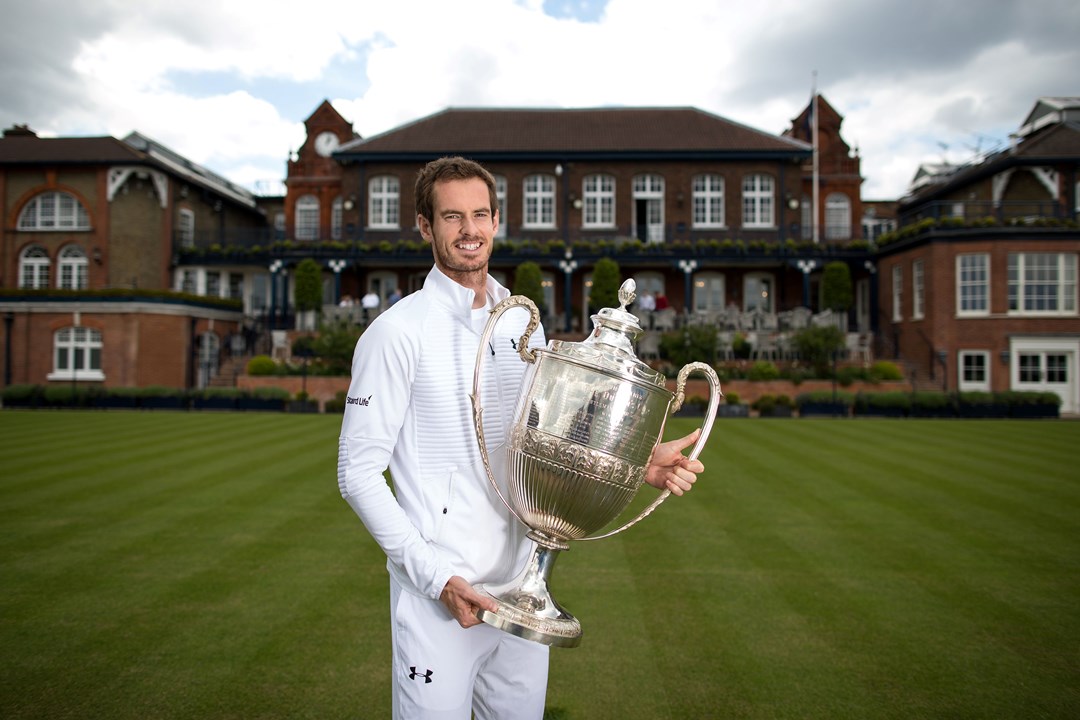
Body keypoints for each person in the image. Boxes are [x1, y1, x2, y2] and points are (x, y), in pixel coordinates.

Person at [337, 156, 706, 719]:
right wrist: (436, 579)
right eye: (453, 216)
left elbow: (544, 434)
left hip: (522, 593)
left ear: (496, 220)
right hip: (443, 598)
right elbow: (357, 473)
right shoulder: (395, 333)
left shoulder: (519, 322)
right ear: (424, 225)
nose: (469, 230)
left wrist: (635, 461)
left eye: (480, 215)